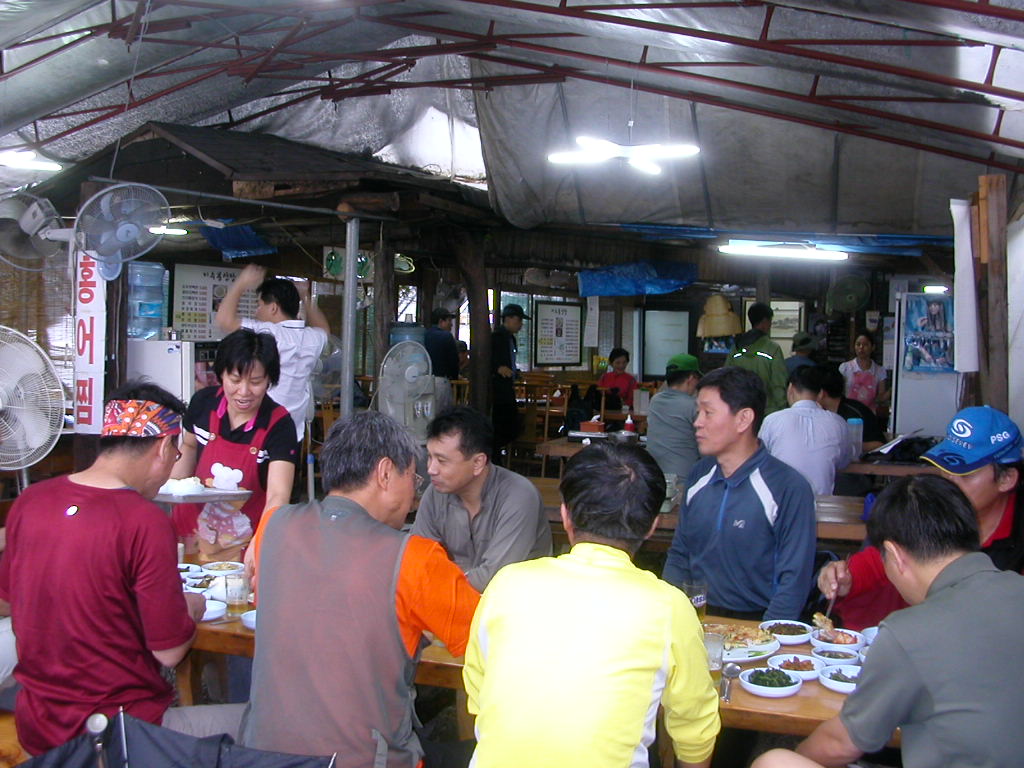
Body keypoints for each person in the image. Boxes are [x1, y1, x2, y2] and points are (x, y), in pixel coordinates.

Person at [0, 382, 242, 755]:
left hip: (38, 732)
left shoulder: (30, 501)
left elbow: (9, 602)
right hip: (122, 734)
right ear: (164, 447)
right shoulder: (144, 520)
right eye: (176, 453)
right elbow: (169, 653)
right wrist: (191, 606)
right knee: (262, 721)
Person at [240, 411, 480, 765]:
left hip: (260, 754)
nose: (414, 496)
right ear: (385, 473)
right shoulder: (414, 557)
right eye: (412, 479)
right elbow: (487, 637)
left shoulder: (272, 528)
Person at [463, 442, 720, 768]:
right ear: (653, 525)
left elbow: (479, 695)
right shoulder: (670, 608)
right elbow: (695, 729)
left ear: (565, 515)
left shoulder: (506, 584)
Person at [753, 474, 1024, 768]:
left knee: (775, 762)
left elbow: (840, 745)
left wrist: (798, 754)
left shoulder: (910, 632)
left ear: (894, 555)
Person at [818, 405, 1024, 630]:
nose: (950, 481)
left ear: (1006, 479)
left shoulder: (1018, 535)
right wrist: (846, 577)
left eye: (965, 474)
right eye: (945, 468)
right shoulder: (932, 507)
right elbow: (881, 559)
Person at [663, 367, 816, 619]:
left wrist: (766, 635)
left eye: (708, 412)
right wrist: (673, 616)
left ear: (744, 419)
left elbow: (794, 580)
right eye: (698, 412)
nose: (697, 422)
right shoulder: (699, 475)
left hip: (758, 623)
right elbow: (680, 554)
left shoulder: (788, 487)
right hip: (696, 617)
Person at [171, 328, 298, 561]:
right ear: (221, 374)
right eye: (235, 380)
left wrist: (260, 546)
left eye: (256, 382)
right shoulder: (203, 403)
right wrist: (171, 491)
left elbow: (277, 496)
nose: (244, 392)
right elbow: (188, 447)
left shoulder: (279, 425)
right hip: (188, 533)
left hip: (242, 546)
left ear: (269, 380)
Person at [411, 406, 551, 591]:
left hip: (514, 602)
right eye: (429, 457)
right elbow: (419, 559)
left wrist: (438, 587)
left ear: (478, 462)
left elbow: (494, 578)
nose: (431, 469)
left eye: (442, 461)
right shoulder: (435, 494)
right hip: (452, 598)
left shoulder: (519, 496)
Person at [216, 264, 329, 440]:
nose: (256, 311)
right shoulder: (312, 338)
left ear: (273, 308)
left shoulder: (268, 333)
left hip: (261, 429)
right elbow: (324, 329)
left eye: (259, 305)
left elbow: (224, 320)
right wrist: (305, 297)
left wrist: (241, 283)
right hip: (293, 430)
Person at [759, 366, 852, 495]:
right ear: (821, 393)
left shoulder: (772, 420)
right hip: (821, 502)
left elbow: (761, 459)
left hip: (782, 501)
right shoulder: (838, 422)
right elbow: (843, 462)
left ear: (790, 388)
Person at [646, 353, 701, 485]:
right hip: (684, 480)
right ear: (691, 378)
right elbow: (706, 446)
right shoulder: (693, 406)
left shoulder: (655, 401)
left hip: (654, 477)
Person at [724, 302, 788, 414]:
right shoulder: (773, 349)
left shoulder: (736, 348)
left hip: (742, 409)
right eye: (770, 321)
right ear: (765, 322)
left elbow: (727, 378)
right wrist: (783, 408)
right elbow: (779, 383)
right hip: (768, 411)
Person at [491, 303, 529, 462]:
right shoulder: (496, 337)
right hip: (498, 389)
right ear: (509, 319)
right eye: (519, 320)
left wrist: (515, 372)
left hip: (507, 386)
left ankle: (498, 456)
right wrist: (497, 368)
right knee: (503, 425)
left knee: (511, 425)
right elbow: (486, 358)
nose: (521, 324)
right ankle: (495, 457)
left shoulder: (510, 338)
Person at [816, 366, 885, 452]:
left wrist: (850, 446)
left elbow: (880, 445)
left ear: (821, 393)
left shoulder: (856, 412)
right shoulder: (817, 413)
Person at [839, 331, 887, 412]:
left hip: (869, 414)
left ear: (873, 347)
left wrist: (892, 390)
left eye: (865, 345)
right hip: (848, 413)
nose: (861, 347)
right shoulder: (845, 368)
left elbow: (881, 397)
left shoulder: (880, 371)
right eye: (858, 344)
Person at [424, 307, 460, 412]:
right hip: (440, 381)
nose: (451, 324)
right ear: (441, 321)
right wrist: (454, 376)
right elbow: (453, 361)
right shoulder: (446, 336)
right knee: (442, 414)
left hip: (423, 382)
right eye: (449, 321)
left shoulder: (424, 335)